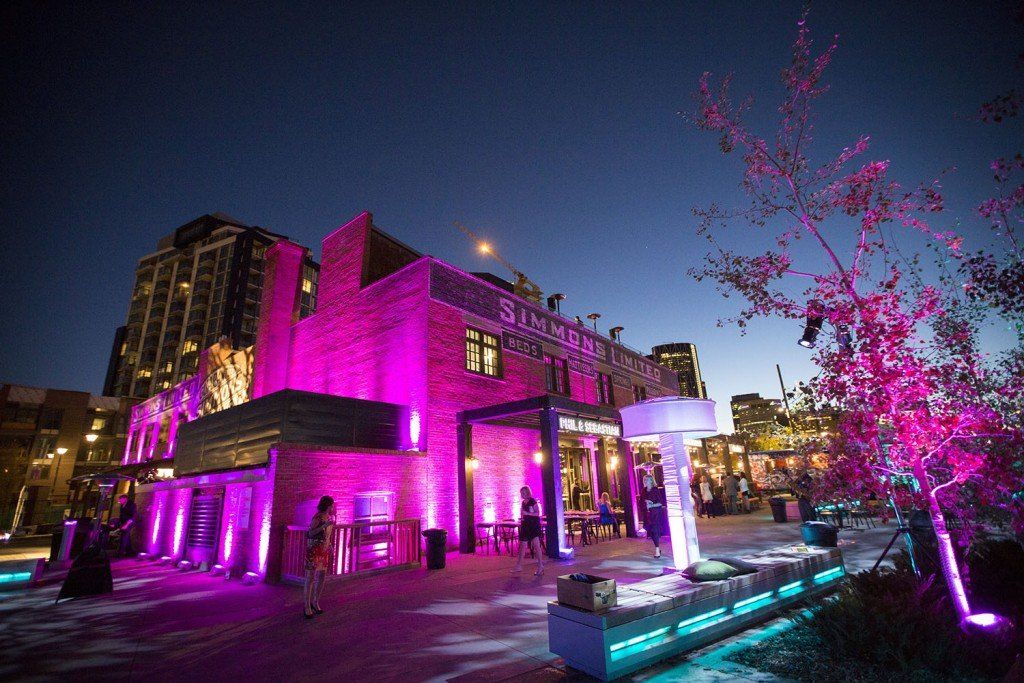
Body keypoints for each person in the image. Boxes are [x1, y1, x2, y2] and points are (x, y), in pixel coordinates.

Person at [303, 496, 335, 618]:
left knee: (322, 576)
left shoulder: (329, 517)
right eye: (331, 505)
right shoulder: (318, 517)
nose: (333, 507)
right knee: (310, 577)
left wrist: (330, 545)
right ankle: (306, 606)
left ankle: (315, 602)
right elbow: (310, 533)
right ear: (327, 505)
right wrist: (324, 525)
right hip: (314, 549)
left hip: (324, 549)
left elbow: (327, 535)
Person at [512, 486, 545, 575]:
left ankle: (540, 566)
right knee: (522, 545)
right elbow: (523, 513)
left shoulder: (532, 501)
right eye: (521, 493)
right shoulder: (523, 502)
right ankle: (518, 566)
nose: (522, 495)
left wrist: (527, 513)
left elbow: (537, 513)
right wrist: (522, 517)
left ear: (527, 493)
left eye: (523, 493)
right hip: (525, 525)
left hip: (533, 525)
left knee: (536, 546)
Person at [640, 475, 666, 558]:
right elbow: (640, 502)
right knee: (650, 530)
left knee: (655, 530)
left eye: (646, 480)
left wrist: (651, 504)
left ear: (651, 481)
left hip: (655, 513)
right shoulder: (644, 490)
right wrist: (645, 503)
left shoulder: (655, 490)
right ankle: (657, 545)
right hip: (647, 514)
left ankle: (657, 550)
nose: (645, 481)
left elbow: (660, 503)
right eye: (644, 480)